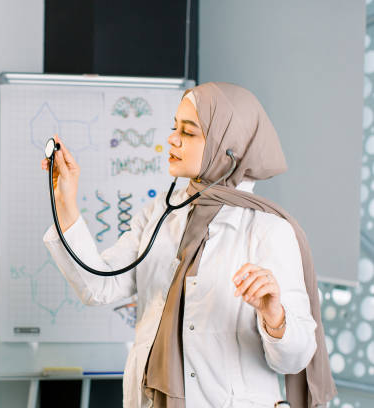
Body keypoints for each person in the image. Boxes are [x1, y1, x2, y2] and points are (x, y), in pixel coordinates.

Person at [41, 82, 336, 408]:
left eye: (189, 132)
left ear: (228, 146)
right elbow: (97, 286)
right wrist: (65, 201)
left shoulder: (269, 231)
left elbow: (294, 360)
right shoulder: (158, 215)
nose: (172, 138)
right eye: (174, 128)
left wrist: (274, 314)